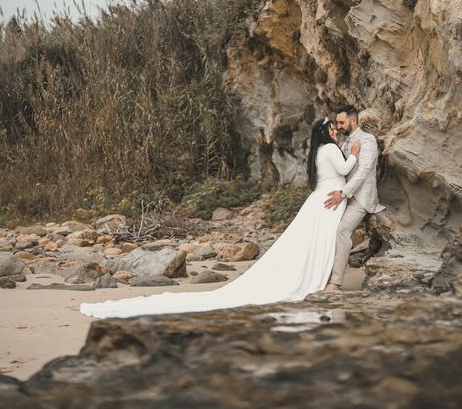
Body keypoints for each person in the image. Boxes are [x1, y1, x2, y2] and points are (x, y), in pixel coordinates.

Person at [80, 117, 360, 318]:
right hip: (329, 200)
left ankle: (323, 276)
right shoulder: (332, 149)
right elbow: (347, 168)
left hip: (322, 199)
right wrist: (356, 153)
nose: (337, 131)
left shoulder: (318, 152)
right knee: (320, 242)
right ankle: (323, 278)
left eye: (338, 127)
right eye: (333, 128)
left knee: (313, 243)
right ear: (326, 132)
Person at [323, 105, 385, 292]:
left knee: (342, 231)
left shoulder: (368, 140)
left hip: (361, 197)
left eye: (341, 122)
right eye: (337, 123)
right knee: (325, 228)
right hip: (345, 196)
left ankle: (336, 282)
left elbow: (364, 171)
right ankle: (321, 276)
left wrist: (343, 194)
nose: (339, 126)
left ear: (353, 120)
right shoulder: (344, 143)